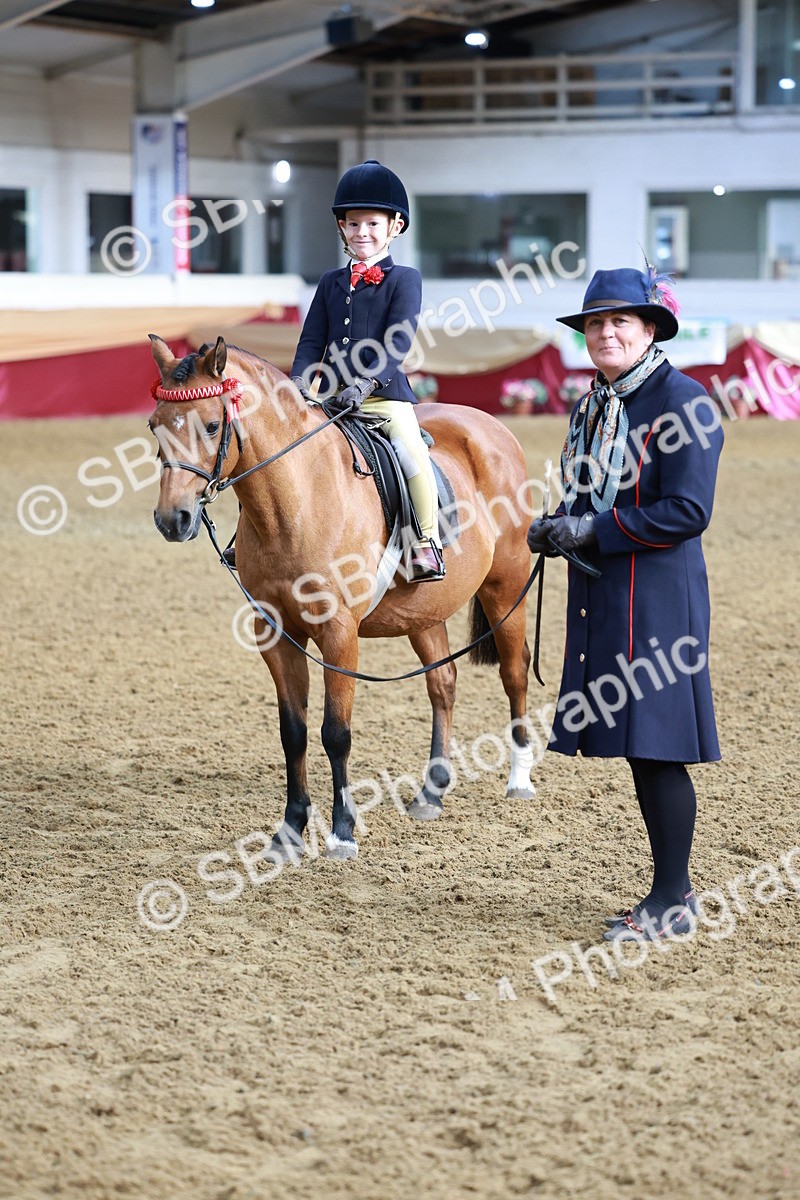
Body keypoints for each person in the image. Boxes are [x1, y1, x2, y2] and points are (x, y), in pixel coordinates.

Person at [527, 265, 724, 942]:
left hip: (659, 601)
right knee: (643, 746)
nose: (605, 332)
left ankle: (673, 899)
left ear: (648, 330)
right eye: (595, 323)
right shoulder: (593, 406)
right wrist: (558, 523)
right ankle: (672, 893)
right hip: (606, 594)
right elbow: (588, 496)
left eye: (620, 321)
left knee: (659, 749)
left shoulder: (685, 400)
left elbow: (689, 510)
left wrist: (594, 530)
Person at [290, 159, 444, 582]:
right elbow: (310, 343)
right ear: (342, 227)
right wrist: (299, 386)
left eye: (372, 224)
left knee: (412, 455)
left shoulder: (405, 279)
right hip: (333, 399)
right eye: (353, 224)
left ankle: (425, 541)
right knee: (277, 450)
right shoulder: (329, 283)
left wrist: (365, 383)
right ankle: (252, 540)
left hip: (384, 396)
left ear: (394, 226)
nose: (362, 233)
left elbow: (398, 342)